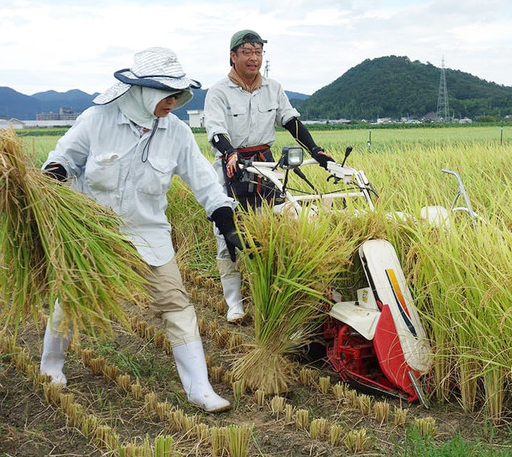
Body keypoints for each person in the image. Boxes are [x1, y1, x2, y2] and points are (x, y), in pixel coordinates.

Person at [39, 47, 244, 413]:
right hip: (95, 231)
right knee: (70, 298)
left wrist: (223, 217)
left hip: (149, 233)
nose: (176, 103)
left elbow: (204, 180)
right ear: (145, 90)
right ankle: (50, 368)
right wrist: (52, 175)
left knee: (176, 303)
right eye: (169, 95)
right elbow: (65, 158)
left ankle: (200, 389)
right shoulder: (97, 119)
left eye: (180, 96)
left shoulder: (176, 132)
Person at [204, 30, 334, 323]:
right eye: (247, 52)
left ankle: (275, 290)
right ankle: (234, 303)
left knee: (282, 223)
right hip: (232, 165)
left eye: (258, 52)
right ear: (233, 56)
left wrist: (315, 150)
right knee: (228, 235)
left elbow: (290, 120)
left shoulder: (273, 88)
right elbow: (215, 130)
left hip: (266, 165)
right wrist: (230, 154)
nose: (254, 58)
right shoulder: (219, 91)